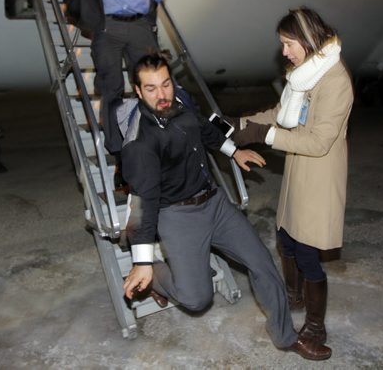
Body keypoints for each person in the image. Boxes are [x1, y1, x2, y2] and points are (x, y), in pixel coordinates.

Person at [121, 53, 332, 361]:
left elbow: (203, 129)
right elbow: (142, 201)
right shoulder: (139, 141)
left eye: (166, 84)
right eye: (151, 88)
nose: (162, 94)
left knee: (262, 264)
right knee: (197, 299)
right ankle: (157, 275)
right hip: (177, 216)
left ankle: (286, 338)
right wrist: (141, 262)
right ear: (137, 91)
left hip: (215, 203)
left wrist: (234, 151)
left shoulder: (178, 100)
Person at [231, 7, 354, 356]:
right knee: (285, 236)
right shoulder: (303, 75)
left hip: (319, 174)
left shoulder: (335, 81)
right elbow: (282, 116)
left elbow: (318, 141)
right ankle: (293, 295)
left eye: (288, 43)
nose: (284, 52)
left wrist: (264, 136)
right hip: (298, 170)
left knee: (307, 251)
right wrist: (242, 123)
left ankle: (316, 325)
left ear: (307, 38)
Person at [62, 0, 169, 160]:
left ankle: (158, 142)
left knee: (153, 85)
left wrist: (151, 4)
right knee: (111, 89)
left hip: (139, 25)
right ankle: (119, 151)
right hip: (106, 27)